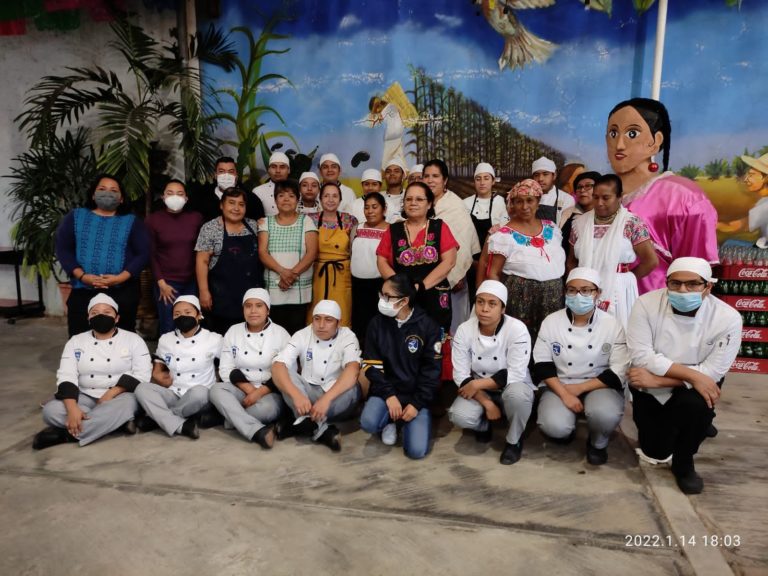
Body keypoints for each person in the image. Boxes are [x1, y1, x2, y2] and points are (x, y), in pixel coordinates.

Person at [627, 257, 741, 493]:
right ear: (666, 283)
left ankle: (684, 462)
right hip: (653, 382)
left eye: (692, 284)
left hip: (676, 382)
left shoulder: (727, 318)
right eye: (675, 283)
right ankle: (698, 422)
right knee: (656, 451)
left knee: (695, 407)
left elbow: (713, 371)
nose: (682, 290)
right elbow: (641, 355)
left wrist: (659, 380)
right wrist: (692, 376)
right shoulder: (646, 304)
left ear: (708, 287)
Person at [606, 98, 718, 293]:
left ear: (656, 141)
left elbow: (695, 273)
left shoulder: (684, 197)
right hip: (600, 305)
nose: (619, 144)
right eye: (613, 133)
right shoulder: (598, 195)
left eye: (632, 133)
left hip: (657, 306)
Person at [533, 268, 629, 465]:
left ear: (598, 293)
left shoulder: (612, 325)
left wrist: (578, 389)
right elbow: (542, 364)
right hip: (560, 383)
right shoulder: (551, 321)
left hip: (599, 384)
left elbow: (619, 369)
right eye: (572, 290)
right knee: (554, 426)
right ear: (565, 292)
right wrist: (564, 393)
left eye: (586, 290)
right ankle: (566, 428)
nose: (578, 296)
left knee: (604, 414)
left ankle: (598, 442)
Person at [33, 294, 151, 449]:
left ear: (117, 318)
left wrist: (112, 393)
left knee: (127, 406)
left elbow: (143, 374)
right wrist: (72, 409)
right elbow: (66, 375)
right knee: (50, 411)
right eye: (95, 313)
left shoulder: (133, 340)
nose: (101, 316)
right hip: (85, 395)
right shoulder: (76, 341)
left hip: (121, 396)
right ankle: (114, 423)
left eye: (107, 312)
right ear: (88, 318)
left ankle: (66, 435)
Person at [447, 281, 533, 465]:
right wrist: (487, 402)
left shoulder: (516, 329)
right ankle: (483, 425)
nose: (484, 309)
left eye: (492, 304)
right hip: (479, 387)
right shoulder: (464, 329)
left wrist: (476, 384)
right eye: (480, 302)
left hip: (512, 385)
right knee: (458, 415)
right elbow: (461, 374)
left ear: (503, 308)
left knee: (519, 397)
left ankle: (514, 441)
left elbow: (515, 373)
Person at [55, 173, 150, 337]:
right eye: (102, 189)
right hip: (83, 290)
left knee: (122, 338)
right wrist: (82, 276)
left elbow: (144, 253)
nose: (107, 193)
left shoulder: (132, 221)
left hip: (122, 291)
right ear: (93, 194)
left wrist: (120, 278)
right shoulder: (76, 217)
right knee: (81, 337)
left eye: (114, 190)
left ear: (121, 198)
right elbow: (63, 248)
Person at [359, 274, 442, 459]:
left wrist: (416, 404)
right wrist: (389, 395)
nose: (382, 300)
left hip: (415, 396)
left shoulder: (429, 327)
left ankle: (404, 423)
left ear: (404, 301)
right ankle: (389, 421)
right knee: (368, 423)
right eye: (381, 294)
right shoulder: (376, 324)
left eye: (388, 297)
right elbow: (371, 366)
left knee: (416, 451)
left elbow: (432, 373)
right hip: (386, 394)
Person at [567, 174, 658, 328]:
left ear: (619, 197)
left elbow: (651, 261)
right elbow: (571, 261)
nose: (599, 203)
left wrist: (625, 278)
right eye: (595, 197)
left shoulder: (631, 223)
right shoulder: (579, 223)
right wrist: (578, 285)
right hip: (584, 290)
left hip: (619, 289)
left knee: (617, 331)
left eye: (606, 198)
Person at [271, 300, 362, 452]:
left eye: (328, 320)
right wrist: (296, 395)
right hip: (307, 395)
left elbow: (352, 370)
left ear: (338, 323)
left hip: (335, 398)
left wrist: (326, 399)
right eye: (317, 319)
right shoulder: (302, 335)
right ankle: (321, 430)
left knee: (353, 388)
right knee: (283, 372)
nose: (321, 325)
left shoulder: (348, 336)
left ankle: (299, 423)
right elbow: (277, 366)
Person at [209, 288, 291, 448]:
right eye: (248, 306)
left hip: (270, 392)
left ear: (268, 310)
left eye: (259, 306)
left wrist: (259, 393)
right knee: (216, 390)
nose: (253, 311)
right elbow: (225, 368)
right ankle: (256, 430)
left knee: (266, 409)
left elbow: (288, 371)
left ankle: (229, 419)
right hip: (240, 389)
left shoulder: (281, 334)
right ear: (243, 309)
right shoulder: (233, 331)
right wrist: (249, 390)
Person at [487, 179, 565, 344]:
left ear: (538, 202)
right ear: (513, 204)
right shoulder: (503, 235)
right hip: (520, 297)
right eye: (519, 201)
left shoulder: (552, 228)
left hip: (553, 296)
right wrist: (498, 302)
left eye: (530, 200)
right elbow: (493, 272)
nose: (525, 206)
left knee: (550, 339)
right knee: (521, 341)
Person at [134, 295, 223, 440]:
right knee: (142, 388)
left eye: (188, 312)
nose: (182, 316)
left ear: (199, 315)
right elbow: (159, 360)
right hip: (174, 393)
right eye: (177, 314)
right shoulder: (166, 339)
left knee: (199, 392)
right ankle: (179, 424)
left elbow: (227, 364)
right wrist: (157, 372)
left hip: (201, 397)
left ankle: (158, 419)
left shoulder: (214, 339)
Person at [377, 182, 458, 333]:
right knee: (403, 338)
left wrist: (420, 287)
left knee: (434, 340)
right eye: (408, 199)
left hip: (433, 295)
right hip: (402, 298)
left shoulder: (439, 227)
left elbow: (450, 261)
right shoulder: (393, 229)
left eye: (419, 199)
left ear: (429, 204)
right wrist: (400, 288)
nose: (413, 203)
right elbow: (381, 261)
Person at [195, 187, 264, 335]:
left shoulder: (254, 226)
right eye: (231, 203)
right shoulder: (210, 228)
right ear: (221, 205)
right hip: (222, 296)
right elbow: (202, 261)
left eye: (241, 204)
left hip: (251, 295)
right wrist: (204, 291)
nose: (236, 208)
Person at [422, 159, 481, 331]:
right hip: (425, 275)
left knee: (453, 328)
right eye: (426, 176)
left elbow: (463, 241)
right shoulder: (420, 202)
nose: (430, 180)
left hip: (452, 279)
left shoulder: (455, 205)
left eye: (435, 176)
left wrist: (457, 274)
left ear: (445, 180)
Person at [257, 179, 319, 336]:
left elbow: (312, 253)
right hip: (275, 286)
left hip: (299, 287)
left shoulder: (306, 221)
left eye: (291, 196)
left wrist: (292, 275)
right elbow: (263, 252)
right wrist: (283, 272)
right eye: (281, 195)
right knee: (275, 333)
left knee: (297, 333)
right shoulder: (266, 222)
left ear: (297, 199)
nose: (286, 199)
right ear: (275, 199)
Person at [145, 178, 203, 335]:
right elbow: (151, 253)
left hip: (191, 282)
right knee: (169, 325)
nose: (175, 197)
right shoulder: (153, 220)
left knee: (191, 324)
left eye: (179, 193)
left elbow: (201, 250)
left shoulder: (196, 218)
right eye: (170, 193)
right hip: (167, 283)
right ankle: (166, 351)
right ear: (163, 197)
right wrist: (161, 283)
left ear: (186, 198)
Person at [307, 183, 357, 326]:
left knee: (342, 312)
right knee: (317, 311)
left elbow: (354, 249)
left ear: (340, 199)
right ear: (320, 199)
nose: (330, 200)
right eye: (326, 196)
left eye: (335, 196)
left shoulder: (350, 220)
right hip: (317, 273)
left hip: (342, 274)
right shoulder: (309, 219)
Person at [350, 192, 389, 347]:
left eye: (374, 207)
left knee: (378, 324)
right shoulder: (357, 228)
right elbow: (350, 253)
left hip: (380, 285)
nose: (370, 211)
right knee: (359, 323)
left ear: (384, 209)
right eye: (367, 207)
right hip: (357, 285)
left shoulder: (391, 230)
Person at [188, 156, 264, 222]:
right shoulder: (200, 196)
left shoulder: (250, 198)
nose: (226, 175)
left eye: (231, 172)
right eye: (221, 171)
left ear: (236, 176)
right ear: (215, 175)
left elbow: (260, 223)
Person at [560, 170, 600, 260]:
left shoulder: (607, 215)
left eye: (588, 186)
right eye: (579, 187)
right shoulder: (568, 213)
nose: (582, 190)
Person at [531, 156, 574, 227]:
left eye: (545, 174)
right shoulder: (527, 198)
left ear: (554, 175)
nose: (540, 179)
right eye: (536, 175)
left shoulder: (567, 199)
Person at [253, 152, 291, 217]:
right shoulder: (257, 191)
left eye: (282, 167)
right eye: (273, 167)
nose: (278, 171)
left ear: (289, 170)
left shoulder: (297, 190)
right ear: (268, 170)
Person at [382, 158, 407, 223]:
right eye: (388, 171)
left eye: (396, 171)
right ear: (384, 176)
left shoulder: (409, 195)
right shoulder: (379, 197)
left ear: (403, 175)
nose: (392, 174)